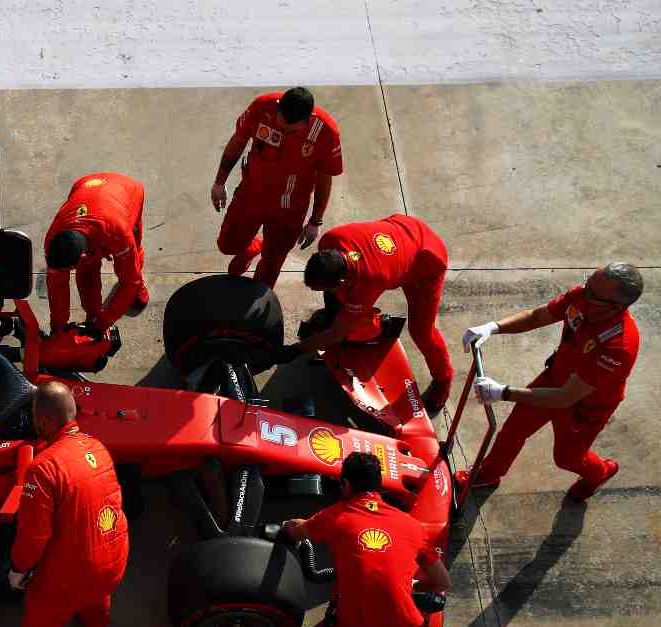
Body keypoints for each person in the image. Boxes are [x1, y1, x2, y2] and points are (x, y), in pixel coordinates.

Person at [283, 452, 451, 627]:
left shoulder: (334, 515)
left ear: (346, 486)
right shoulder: (412, 526)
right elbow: (443, 583)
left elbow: (297, 532)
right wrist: (410, 585)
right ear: (380, 485)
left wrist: (287, 527)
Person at [458, 263, 642, 500]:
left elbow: (566, 397)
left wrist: (503, 392)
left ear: (616, 307)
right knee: (513, 429)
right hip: (555, 378)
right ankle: (487, 475)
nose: (583, 292)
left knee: (567, 459)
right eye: (588, 284)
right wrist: (493, 327)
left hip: (584, 407)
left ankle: (601, 472)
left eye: (593, 293)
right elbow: (537, 317)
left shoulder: (618, 346)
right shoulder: (583, 296)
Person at [0, 381, 129, 627]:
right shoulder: (97, 445)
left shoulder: (43, 469)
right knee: (96, 594)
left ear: (42, 421)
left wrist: (18, 570)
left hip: (75, 577)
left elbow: (33, 536)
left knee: (41, 614)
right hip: (114, 561)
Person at [285, 214, 454, 416]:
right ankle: (352, 316)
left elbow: (336, 333)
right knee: (343, 308)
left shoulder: (370, 279)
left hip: (426, 263)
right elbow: (343, 276)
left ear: (340, 281)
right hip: (404, 230)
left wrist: (294, 350)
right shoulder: (330, 239)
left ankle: (443, 380)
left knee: (421, 332)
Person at [211, 87, 343, 288]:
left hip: (289, 209)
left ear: (308, 120)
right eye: (281, 125)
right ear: (278, 107)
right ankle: (253, 246)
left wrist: (315, 221)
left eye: (291, 131)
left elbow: (325, 180)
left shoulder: (326, 133)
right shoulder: (261, 108)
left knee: (271, 265)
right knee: (227, 245)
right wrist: (219, 182)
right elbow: (238, 141)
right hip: (252, 193)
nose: (284, 132)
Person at [44, 172, 148, 334]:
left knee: (132, 257)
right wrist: (58, 328)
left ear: (83, 255)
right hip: (85, 185)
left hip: (128, 191)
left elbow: (129, 282)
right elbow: (56, 285)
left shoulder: (118, 232)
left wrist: (104, 322)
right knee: (87, 273)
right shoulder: (53, 238)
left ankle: (141, 289)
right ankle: (92, 314)